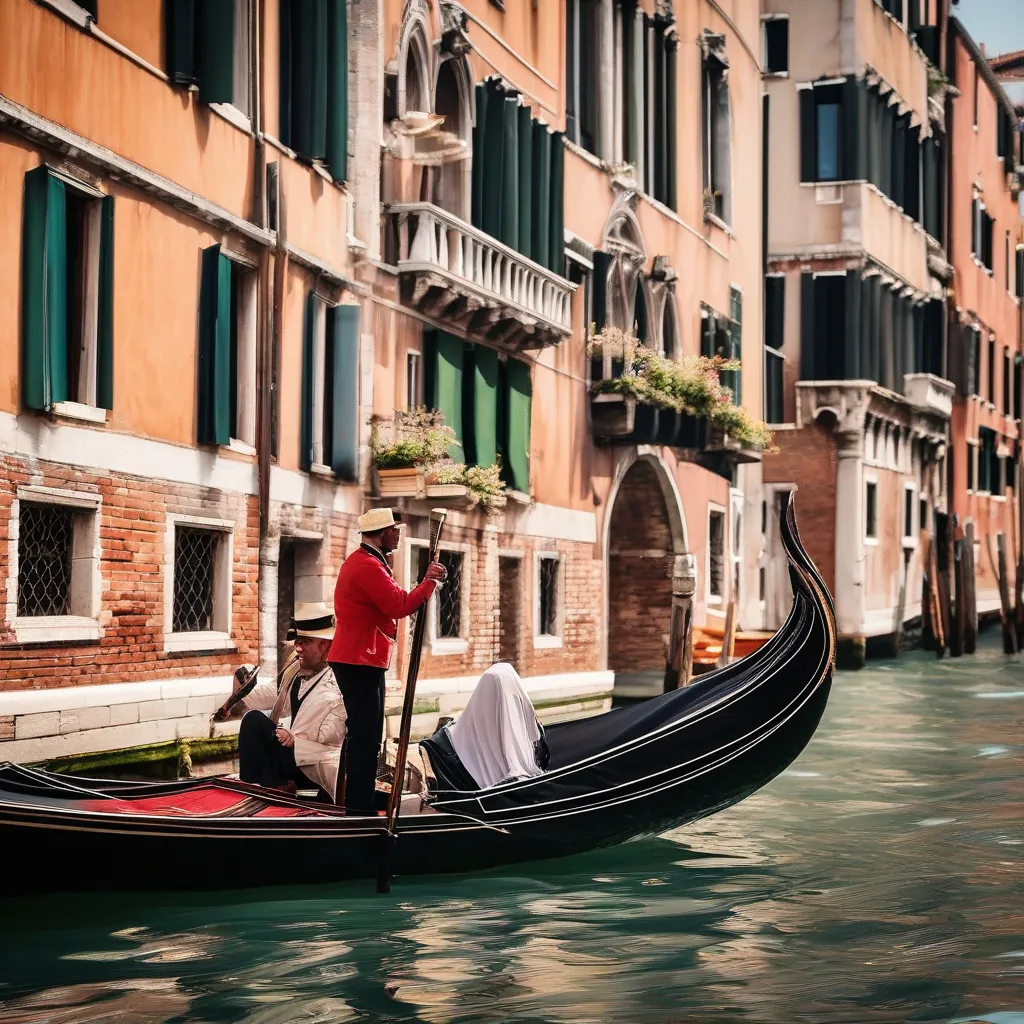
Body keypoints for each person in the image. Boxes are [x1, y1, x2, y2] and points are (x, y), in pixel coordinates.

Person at [329, 508, 447, 814]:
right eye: (396, 530)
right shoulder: (368, 566)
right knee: (365, 738)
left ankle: (359, 801)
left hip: (362, 659)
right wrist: (429, 581)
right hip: (358, 660)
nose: (398, 535)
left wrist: (428, 583)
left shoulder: (369, 562)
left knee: (366, 736)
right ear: (383, 533)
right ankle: (358, 809)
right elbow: (400, 604)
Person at [230, 603, 346, 801]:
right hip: (291, 754)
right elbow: (266, 696)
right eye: (298, 641)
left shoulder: (340, 680)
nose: (298, 648)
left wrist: (295, 741)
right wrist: (243, 681)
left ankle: (275, 788)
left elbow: (335, 733)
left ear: (324, 646)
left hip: (316, 761)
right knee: (253, 720)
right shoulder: (295, 670)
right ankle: (259, 789)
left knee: (264, 729)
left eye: (305, 642)